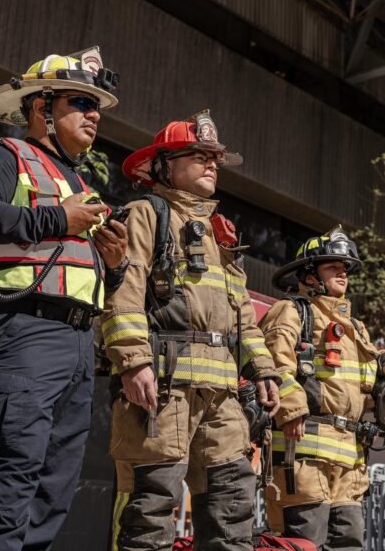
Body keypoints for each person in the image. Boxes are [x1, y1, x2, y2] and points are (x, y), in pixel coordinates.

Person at [0, 47, 126, 550]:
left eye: (96, 106)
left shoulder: (78, 182)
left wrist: (115, 261)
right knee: (13, 468)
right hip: (22, 334)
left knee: (55, 484)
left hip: (77, 343)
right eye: (81, 102)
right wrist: (60, 220)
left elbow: (73, 271)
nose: (94, 115)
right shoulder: (4, 155)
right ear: (42, 108)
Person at [101, 111, 286, 550]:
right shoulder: (145, 215)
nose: (211, 164)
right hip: (163, 391)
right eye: (198, 156)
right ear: (164, 165)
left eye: (215, 158)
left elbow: (241, 312)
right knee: (152, 508)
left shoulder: (221, 234)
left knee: (232, 508)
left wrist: (264, 371)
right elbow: (122, 295)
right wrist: (133, 362)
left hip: (222, 398)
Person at [258, 227, 385, 549]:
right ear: (309, 275)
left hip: (350, 456)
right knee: (304, 541)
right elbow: (274, 364)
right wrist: (291, 410)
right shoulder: (291, 311)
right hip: (303, 453)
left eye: (345, 267)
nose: (343, 272)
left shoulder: (356, 329)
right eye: (332, 266)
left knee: (349, 542)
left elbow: (366, 374)